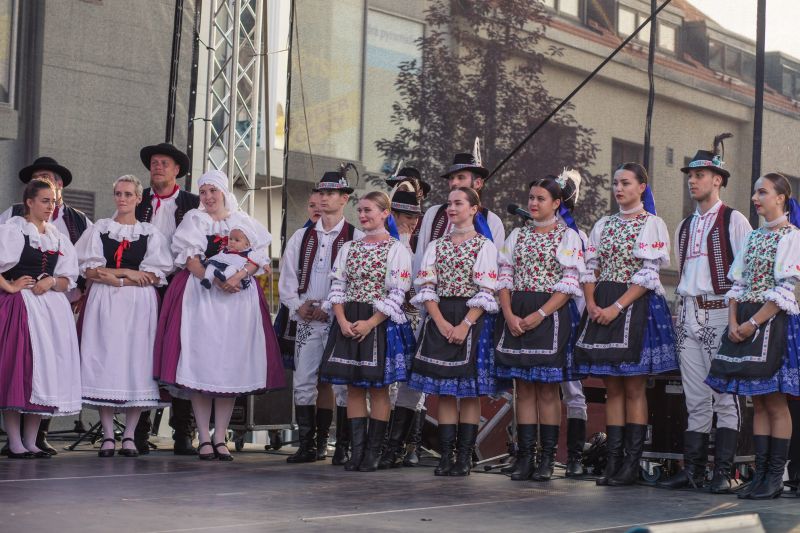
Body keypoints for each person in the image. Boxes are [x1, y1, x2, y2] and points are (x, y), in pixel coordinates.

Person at [153, 170, 284, 461]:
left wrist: (237, 277)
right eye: (203, 192)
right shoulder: (194, 219)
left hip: (237, 301)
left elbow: (257, 257)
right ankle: (203, 436)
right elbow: (190, 259)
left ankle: (220, 436)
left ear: (224, 192)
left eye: (213, 191)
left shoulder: (243, 220)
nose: (208, 197)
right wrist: (214, 279)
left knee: (229, 366)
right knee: (201, 363)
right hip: (202, 297)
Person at [657, 134, 752, 493]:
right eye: (690, 175)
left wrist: (737, 319)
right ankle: (693, 470)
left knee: (725, 395)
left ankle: (723, 472)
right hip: (688, 313)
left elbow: (746, 276)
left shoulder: (734, 220)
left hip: (721, 312)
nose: (692, 181)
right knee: (695, 397)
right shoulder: (684, 226)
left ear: (718, 179)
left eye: (699, 175)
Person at [575, 162, 677, 486]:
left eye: (626, 183)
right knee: (612, 387)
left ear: (642, 187)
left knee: (633, 386)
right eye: (616, 183)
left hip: (635, 304)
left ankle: (631, 464)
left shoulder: (652, 224)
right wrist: (592, 304)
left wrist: (616, 306)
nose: (619, 188)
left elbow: (648, 274)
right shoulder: (603, 224)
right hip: (603, 300)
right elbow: (590, 267)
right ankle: (613, 461)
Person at [706, 173, 800, 500]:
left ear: (781, 198)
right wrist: (733, 321)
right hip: (746, 316)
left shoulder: (792, 236)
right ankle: (760, 475)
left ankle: (775, 476)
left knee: (775, 400)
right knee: (757, 401)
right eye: (755, 192)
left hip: (772, 319)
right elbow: (738, 283)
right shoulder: (754, 237)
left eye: (763, 192)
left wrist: (753, 323)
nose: (756, 198)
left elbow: (785, 289)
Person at [74, 175, 173, 457]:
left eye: (128, 194)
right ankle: (108, 435)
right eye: (118, 193)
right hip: (104, 302)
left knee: (136, 363)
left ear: (139, 198)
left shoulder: (150, 233)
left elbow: (154, 275)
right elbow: (89, 270)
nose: (122, 199)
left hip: (139, 305)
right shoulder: (100, 229)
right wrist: (128, 273)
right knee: (104, 360)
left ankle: (128, 435)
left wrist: (115, 276)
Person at [495, 173, 585, 482]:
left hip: (550, 314)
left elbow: (570, 282)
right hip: (516, 312)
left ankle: (547, 457)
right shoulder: (517, 235)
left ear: (557, 203)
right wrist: (508, 313)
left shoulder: (567, 236)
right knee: (523, 389)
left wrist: (540, 314)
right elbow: (504, 276)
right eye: (531, 198)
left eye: (540, 199)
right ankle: (525, 457)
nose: (533, 203)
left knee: (547, 389)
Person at [0, 157, 91, 456]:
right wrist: (11, 286)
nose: (50, 206)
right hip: (20, 308)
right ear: (29, 202)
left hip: (51, 312)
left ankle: (31, 440)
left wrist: (51, 281)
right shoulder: (13, 229)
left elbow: (68, 279)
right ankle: (14, 441)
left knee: (45, 372)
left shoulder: (57, 237)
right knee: (19, 370)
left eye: (52, 201)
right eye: (44, 201)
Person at [319, 191, 415, 472]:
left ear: (385, 213)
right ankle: (357, 452)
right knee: (353, 388)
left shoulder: (396, 249)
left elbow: (397, 292)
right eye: (360, 210)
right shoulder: (349, 247)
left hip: (379, 320)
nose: (362, 215)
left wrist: (371, 323)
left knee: (379, 389)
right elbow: (338, 286)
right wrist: (342, 320)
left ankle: (373, 453)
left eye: (368, 210)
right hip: (349, 318)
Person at [409, 187, 500, 477]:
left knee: (469, 393)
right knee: (445, 392)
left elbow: (487, 290)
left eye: (458, 203)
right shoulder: (436, 245)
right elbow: (427, 287)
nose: (451, 208)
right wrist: (439, 321)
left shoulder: (484, 245)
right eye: (449, 203)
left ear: (474, 208)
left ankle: (464, 456)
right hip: (441, 314)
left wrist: (465, 324)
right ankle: (446, 455)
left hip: (471, 317)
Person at [278, 170, 364, 465]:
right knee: (304, 380)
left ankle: (342, 446)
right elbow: (287, 277)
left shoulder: (356, 237)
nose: (324, 198)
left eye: (331, 193)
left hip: (339, 319)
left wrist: (329, 306)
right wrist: (296, 305)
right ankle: (308, 444)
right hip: (306, 317)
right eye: (321, 193)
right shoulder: (302, 236)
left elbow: (357, 282)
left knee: (341, 383)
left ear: (344, 199)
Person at [134, 142, 200, 455]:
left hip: (179, 285)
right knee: (144, 352)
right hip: (144, 286)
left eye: (164, 163)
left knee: (180, 351)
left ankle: (183, 432)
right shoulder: (138, 200)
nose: (157, 167)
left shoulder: (192, 203)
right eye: (154, 163)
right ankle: (139, 429)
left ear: (177, 170)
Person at [379, 178, 429, 469]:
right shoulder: (383, 242)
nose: (413, 221)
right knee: (383, 383)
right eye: (407, 215)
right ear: (394, 215)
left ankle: (401, 446)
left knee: (411, 384)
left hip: (413, 320)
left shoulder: (420, 245)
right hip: (384, 319)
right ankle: (378, 443)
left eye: (416, 216)